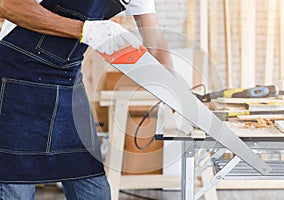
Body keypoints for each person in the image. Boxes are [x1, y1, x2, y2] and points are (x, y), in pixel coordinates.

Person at [0, 0, 173, 199]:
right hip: (15, 79)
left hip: (68, 83)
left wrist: (178, 96)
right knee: (16, 187)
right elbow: (8, 5)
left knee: (93, 191)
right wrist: (84, 29)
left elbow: (155, 42)